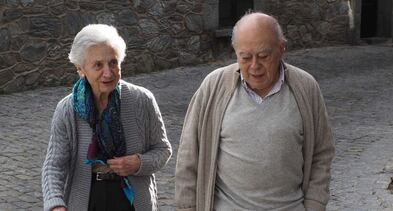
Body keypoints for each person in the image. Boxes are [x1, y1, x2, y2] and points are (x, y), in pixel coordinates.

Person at [175, 12, 335, 211]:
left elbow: (322, 153)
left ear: (281, 49)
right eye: (245, 57)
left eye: (263, 56)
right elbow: (189, 155)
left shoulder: (306, 87)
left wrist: (314, 205)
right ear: (236, 53)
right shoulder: (213, 86)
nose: (254, 66)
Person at [42, 24, 172, 211]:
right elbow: (54, 166)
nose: (108, 73)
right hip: (86, 201)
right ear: (81, 69)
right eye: (98, 65)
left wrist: (138, 163)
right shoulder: (67, 109)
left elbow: (163, 150)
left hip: (132, 201)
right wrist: (55, 204)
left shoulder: (142, 100)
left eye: (113, 62)